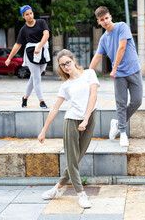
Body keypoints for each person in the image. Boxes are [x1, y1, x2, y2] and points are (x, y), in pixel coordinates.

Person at [38, 49, 100, 209]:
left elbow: (93, 96)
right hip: (71, 121)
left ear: (73, 60)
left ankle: (57, 188)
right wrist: (44, 130)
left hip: (89, 118)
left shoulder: (89, 74)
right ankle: (81, 194)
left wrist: (86, 119)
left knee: (77, 157)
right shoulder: (65, 85)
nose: (66, 67)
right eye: (62, 65)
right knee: (72, 159)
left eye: (68, 62)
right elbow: (55, 108)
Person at [90, 6, 143, 147]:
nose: (105, 21)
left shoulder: (121, 27)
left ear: (110, 16)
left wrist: (113, 69)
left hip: (133, 70)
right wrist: (88, 73)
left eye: (107, 18)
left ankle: (117, 123)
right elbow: (97, 57)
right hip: (119, 76)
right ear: (98, 22)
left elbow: (122, 47)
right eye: (102, 20)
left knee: (137, 101)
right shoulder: (103, 39)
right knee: (121, 103)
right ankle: (123, 134)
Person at [5, 5, 50, 109]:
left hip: (42, 52)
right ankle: (41, 101)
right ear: (23, 16)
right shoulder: (23, 30)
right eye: (27, 14)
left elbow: (46, 35)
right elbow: (18, 44)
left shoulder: (41, 22)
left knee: (34, 77)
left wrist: (39, 46)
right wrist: (9, 58)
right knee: (37, 78)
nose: (30, 16)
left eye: (31, 13)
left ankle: (25, 98)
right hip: (31, 53)